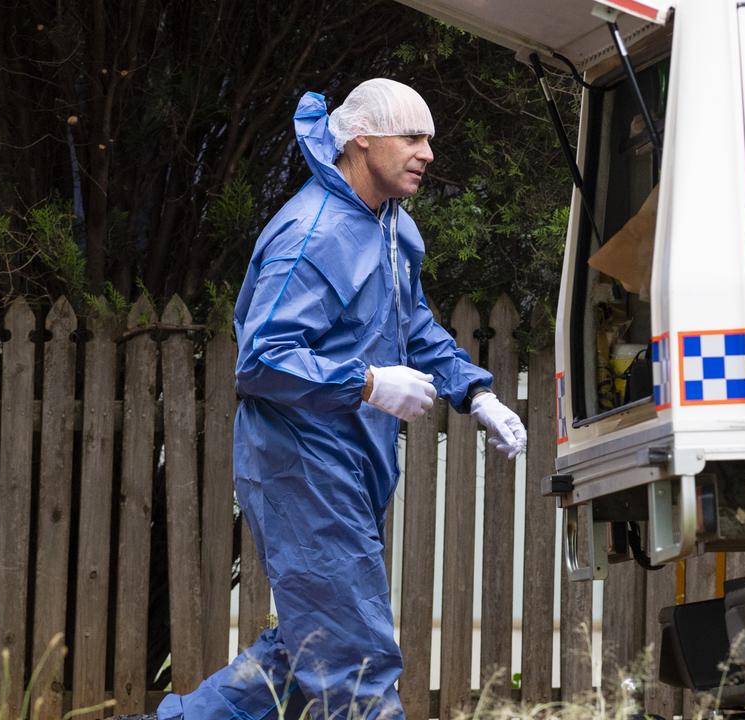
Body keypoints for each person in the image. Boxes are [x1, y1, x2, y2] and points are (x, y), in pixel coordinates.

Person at [156, 79, 528, 720]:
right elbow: (261, 361)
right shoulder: (315, 235)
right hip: (303, 464)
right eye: (412, 137)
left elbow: (413, 326)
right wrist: (370, 383)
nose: (428, 153)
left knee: (310, 647)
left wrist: (477, 393)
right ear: (362, 139)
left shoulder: (389, 229)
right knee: (355, 658)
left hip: (350, 464)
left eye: (429, 139)